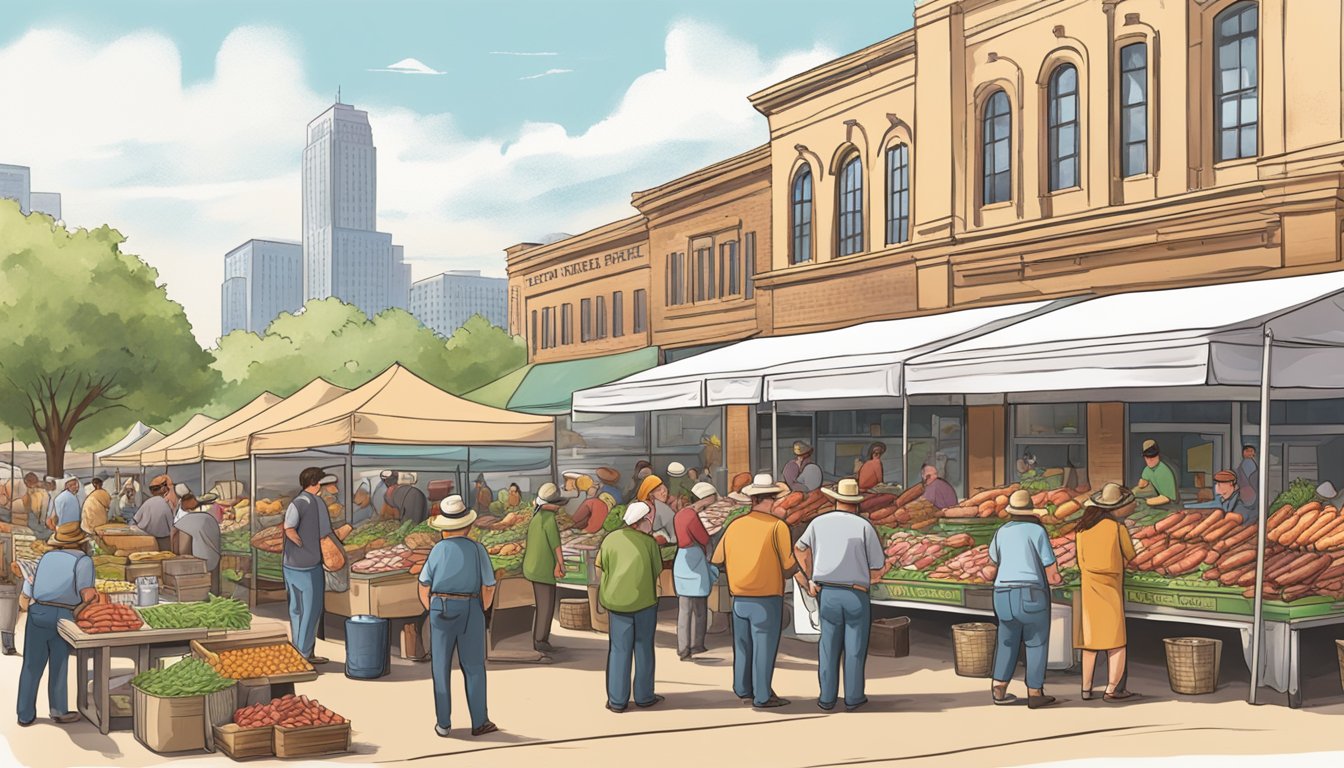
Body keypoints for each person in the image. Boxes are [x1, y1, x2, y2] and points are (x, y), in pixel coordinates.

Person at [794, 478, 886, 712]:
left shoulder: (818, 523)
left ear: (836, 501)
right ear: (855, 503)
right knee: (855, 648)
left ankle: (827, 697)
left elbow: (799, 549)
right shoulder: (864, 527)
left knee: (828, 646)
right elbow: (877, 565)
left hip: (828, 593)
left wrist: (810, 578)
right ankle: (854, 698)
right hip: (856, 594)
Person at [710, 473, 795, 709]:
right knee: (764, 648)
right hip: (766, 598)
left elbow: (717, 559)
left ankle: (742, 688)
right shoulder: (778, 527)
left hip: (739, 598)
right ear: (768, 500)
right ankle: (763, 695)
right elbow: (788, 566)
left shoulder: (735, 525)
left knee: (743, 646)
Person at [418, 495, 498, 738]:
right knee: (474, 666)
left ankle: (443, 723)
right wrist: (481, 609)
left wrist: (432, 607)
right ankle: (479, 721)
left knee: (440, 667)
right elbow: (489, 585)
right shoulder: (477, 549)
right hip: (470, 607)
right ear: (468, 525)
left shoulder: (437, 550)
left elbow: (423, 585)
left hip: (440, 607)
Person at [987, 489, 1063, 709]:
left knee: (1006, 640)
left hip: (1001, 593)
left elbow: (993, 564)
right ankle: (1035, 692)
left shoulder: (1001, 532)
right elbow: (1051, 571)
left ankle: (999, 688)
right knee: (1036, 641)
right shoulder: (1037, 531)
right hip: (1030, 593)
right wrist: (1058, 578)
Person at [17, 521, 96, 726]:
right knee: (59, 662)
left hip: (39, 611)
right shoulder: (83, 561)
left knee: (31, 665)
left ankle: (25, 714)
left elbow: (31, 588)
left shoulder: (46, 557)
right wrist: (93, 600)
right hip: (64, 615)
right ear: (81, 543)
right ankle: (58, 710)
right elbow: (87, 593)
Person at [1074, 483, 1139, 702]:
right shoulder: (1117, 528)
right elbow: (1130, 554)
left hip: (1089, 587)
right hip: (1111, 587)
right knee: (1116, 643)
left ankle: (1086, 688)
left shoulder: (1081, 529)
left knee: (1090, 644)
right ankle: (1111, 690)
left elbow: (1080, 561)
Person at [598, 501, 665, 713]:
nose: (650, 523)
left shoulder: (610, 539)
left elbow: (600, 566)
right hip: (644, 602)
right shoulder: (650, 543)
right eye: (648, 519)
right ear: (639, 522)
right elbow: (657, 569)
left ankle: (617, 700)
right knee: (644, 647)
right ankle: (644, 696)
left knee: (619, 649)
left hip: (616, 603)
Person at [283, 467, 339, 665]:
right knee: (311, 610)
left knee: (296, 609)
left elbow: (288, 528)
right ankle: (305, 654)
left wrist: (297, 544)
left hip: (290, 565)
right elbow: (325, 533)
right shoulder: (316, 502)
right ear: (316, 483)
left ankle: (299, 651)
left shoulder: (296, 502)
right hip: (309, 565)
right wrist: (305, 545)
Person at [673, 484, 719, 660]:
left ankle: (682, 648)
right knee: (699, 608)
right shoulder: (692, 516)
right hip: (695, 560)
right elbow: (703, 538)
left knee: (684, 609)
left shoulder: (681, 514)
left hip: (681, 560)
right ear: (706, 498)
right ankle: (696, 645)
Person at [523, 483, 565, 653]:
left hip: (531, 566)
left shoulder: (536, 517)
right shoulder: (549, 519)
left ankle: (539, 638)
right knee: (546, 606)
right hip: (543, 569)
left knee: (541, 605)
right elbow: (556, 545)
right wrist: (560, 564)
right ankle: (540, 640)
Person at [174, 494, 223, 595]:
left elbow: (182, 549)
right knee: (212, 589)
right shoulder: (210, 518)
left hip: (196, 564)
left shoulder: (185, 520)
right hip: (213, 557)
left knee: (198, 591)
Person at [133, 474, 176, 551]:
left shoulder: (147, 503)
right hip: (165, 541)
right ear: (164, 488)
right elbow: (173, 526)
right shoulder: (168, 503)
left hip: (147, 541)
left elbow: (135, 520)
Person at [1186, 470, 1252, 518]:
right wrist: (1187, 506)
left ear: (1230, 483)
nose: (1217, 486)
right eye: (1217, 483)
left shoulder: (1239, 500)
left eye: (1219, 484)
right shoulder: (1221, 498)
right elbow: (1212, 504)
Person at [1135, 440, 1178, 507]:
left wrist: (1146, 501)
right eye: (1147, 457)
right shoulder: (1147, 470)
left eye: (1153, 456)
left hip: (1170, 505)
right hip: (1158, 499)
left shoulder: (1163, 471)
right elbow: (1142, 484)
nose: (1150, 460)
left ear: (1158, 455)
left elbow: (1166, 498)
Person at [637, 475, 678, 546]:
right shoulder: (660, 508)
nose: (664, 493)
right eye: (658, 490)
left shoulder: (663, 507)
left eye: (664, 489)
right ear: (650, 495)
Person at [1235, 445, 1259, 512]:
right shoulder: (1245, 463)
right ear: (1243, 453)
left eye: (1251, 451)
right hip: (1246, 489)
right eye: (1247, 451)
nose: (1249, 453)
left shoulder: (1252, 463)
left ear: (1254, 453)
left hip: (1251, 489)